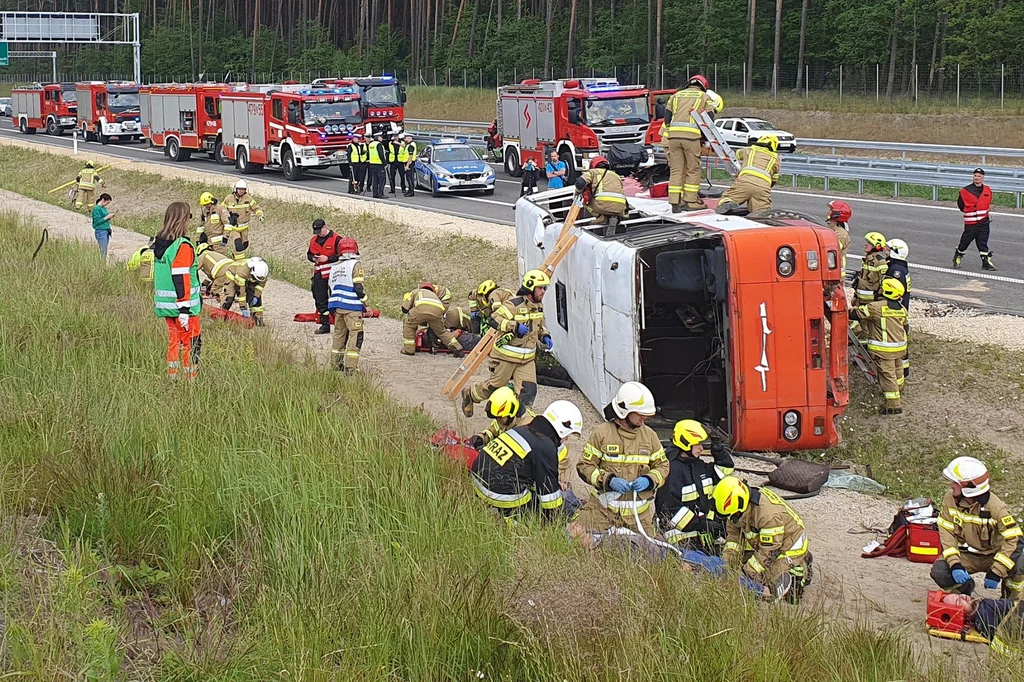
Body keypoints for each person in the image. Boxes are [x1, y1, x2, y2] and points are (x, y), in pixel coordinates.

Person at [572, 381, 669, 535]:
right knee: (576, 537)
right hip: (602, 511)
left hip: (638, 518)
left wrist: (649, 480)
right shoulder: (602, 433)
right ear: (625, 411)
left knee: (651, 554)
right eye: (640, 414)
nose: (644, 419)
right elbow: (584, 466)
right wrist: (608, 480)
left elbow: (663, 466)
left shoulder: (650, 436)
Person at [470, 400, 583, 519]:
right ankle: (514, 520)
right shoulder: (545, 446)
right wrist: (554, 521)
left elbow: (522, 469)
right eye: (567, 435)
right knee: (540, 506)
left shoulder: (524, 429)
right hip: (497, 492)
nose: (566, 439)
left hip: (478, 479)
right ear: (562, 428)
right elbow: (549, 499)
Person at [462, 270, 551, 415]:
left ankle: (516, 423)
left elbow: (538, 327)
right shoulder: (513, 305)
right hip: (505, 358)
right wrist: (514, 326)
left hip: (526, 360)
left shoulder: (538, 307)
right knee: (495, 388)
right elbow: (493, 319)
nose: (544, 291)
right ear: (530, 287)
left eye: (545, 288)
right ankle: (470, 395)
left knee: (528, 392)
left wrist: (544, 336)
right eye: (541, 288)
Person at [932, 456, 1024, 599]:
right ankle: (964, 595)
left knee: (1019, 562)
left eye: (955, 483)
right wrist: (955, 564)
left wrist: (997, 571)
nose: (951, 486)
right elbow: (946, 533)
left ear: (968, 489)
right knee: (940, 571)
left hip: (994, 556)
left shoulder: (996, 508)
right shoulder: (950, 499)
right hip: (968, 555)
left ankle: (1010, 603)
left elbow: (1015, 539)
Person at [714, 476, 812, 602]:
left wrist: (747, 572)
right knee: (743, 566)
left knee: (769, 584)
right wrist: (726, 563)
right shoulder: (736, 509)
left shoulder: (768, 515)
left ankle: (801, 569)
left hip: (790, 544)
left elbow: (769, 552)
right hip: (766, 540)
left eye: (733, 516)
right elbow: (733, 539)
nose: (732, 519)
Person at [655, 420, 735, 551]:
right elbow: (671, 512)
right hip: (681, 541)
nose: (701, 448)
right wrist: (703, 524)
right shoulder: (671, 471)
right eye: (697, 444)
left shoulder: (696, 465)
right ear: (685, 444)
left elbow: (724, 472)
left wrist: (718, 450)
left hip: (703, 537)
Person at [152, 202, 201, 379]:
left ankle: (172, 377)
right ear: (183, 220)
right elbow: (181, 278)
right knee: (191, 343)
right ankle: (190, 381)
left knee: (174, 342)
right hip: (184, 308)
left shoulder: (159, 242)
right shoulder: (182, 246)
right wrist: (184, 311)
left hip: (166, 307)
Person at [850, 277, 908, 415]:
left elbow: (857, 314)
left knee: (887, 375)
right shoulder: (902, 309)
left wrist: (842, 311)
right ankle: (899, 388)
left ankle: (893, 405)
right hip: (900, 347)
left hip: (884, 350)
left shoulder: (876, 307)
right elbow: (905, 326)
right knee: (897, 369)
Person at [663, 74, 720, 212]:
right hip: (691, 138)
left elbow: (666, 117)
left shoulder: (676, 95)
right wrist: (705, 138)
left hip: (673, 138)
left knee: (676, 170)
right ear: (703, 86)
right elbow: (709, 118)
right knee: (692, 169)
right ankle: (690, 201)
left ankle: (675, 201)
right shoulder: (704, 97)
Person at [327, 237, 366, 372]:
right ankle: (350, 367)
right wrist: (366, 304)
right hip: (352, 307)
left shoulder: (334, 267)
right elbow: (359, 288)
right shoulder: (355, 264)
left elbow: (330, 289)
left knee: (339, 335)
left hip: (338, 307)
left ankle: (336, 365)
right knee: (356, 335)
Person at [937, 593, 1024, 654]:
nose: (962, 597)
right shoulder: (981, 617)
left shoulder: (980, 605)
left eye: (958, 595)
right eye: (958, 601)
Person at [715, 135, 780, 214]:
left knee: (727, 199)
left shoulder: (749, 150)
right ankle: (760, 214)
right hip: (763, 186)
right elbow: (774, 179)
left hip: (746, 180)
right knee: (762, 213)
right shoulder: (776, 158)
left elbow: (736, 155)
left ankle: (728, 204)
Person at [401, 283, 464, 357]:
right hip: (437, 311)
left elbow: (404, 309)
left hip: (421, 308)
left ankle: (409, 350)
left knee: (409, 325)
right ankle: (458, 348)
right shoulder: (435, 295)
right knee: (441, 332)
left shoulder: (417, 291)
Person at [307, 219, 345, 334]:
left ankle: (341, 325)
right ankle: (325, 324)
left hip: (334, 275)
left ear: (325, 227)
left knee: (337, 299)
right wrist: (313, 258)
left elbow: (342, 256)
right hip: (319, 274)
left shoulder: (337, 239)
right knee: (320, 299)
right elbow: (309, 254)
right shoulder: (314, 240)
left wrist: (327, 258)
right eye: (316, 231)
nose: (318, 233)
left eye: (320, 230)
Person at [954, 168, 996, 271]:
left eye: (979, 176)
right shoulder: (965, 191)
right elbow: (960, 205)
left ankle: (985, 262)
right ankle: (958, 255)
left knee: (983, 242)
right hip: (971, 222)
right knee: (965, 241)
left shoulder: (987, 190)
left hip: (984, 221)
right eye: (975, 176)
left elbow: (988, 202)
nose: (977, 178)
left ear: (983, 178)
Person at [574, 156, 627, 229]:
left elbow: (580, 183)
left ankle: (600, 217)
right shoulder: (616, 175)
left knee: (584, 200)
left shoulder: (593, 172)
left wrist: (577, 193)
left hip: (601, 205)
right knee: (611, 206)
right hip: (620, 207)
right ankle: (617, 217)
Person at [222, 179, 264, 261]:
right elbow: (222, 210)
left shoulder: (248, 199)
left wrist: (260, 215)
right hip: (234, 229)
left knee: (244, 245)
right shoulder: (228, 199)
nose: (241, 191)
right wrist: (229, 217)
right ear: (235, 189)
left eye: (243, 189)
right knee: (238, 244)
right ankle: (239, 263)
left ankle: (235, 257)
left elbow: (256, 208)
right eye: (240, 189)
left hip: (244, 228)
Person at [221, 256, 269, 326]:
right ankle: (221, 315)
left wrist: (256, 296)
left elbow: (260, 286)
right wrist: (243, 308)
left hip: (249, 277)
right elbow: (241, 292)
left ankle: (258, 318)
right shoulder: (242, 272)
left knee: (254, 297)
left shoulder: (262, 273)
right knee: (229, 297)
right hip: (233, 274)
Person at [852, 232, 888, 306]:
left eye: (870, 243)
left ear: (877, 246)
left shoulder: (880, 262)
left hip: (871, 303)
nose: (866, 244)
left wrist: (878, 301)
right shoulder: (867, 260)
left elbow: (884, 284)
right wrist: (855, 296)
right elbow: (862, 279)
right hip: (860, 300)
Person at [825, 200, 852, 272]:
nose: (828, 212)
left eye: (831, 210)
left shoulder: (840, 234)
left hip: (835, 271)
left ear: (836, 214)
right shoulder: (832, 228)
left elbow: (832, 251)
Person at [92, 193, 115, 260]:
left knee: (105, 250)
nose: (107, 204)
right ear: (103, 200)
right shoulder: (96, 209)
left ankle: (103, 262)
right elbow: (97, 222)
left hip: (106, 230)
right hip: (100, 231)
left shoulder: (103, 208)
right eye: (107, 202)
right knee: (103, 250)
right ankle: (102, 264)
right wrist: (107, 217)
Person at [368, 132, 388, 198]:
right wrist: (385, 163)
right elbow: (381, 155)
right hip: (379, 164)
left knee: (375, 180)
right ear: (378, 137)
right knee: (382, 180)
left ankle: (375, 194)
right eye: (381, 137)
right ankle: (380, 194)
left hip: (372, 164)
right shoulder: (379, 144)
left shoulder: (371, 144)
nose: (382, 138)